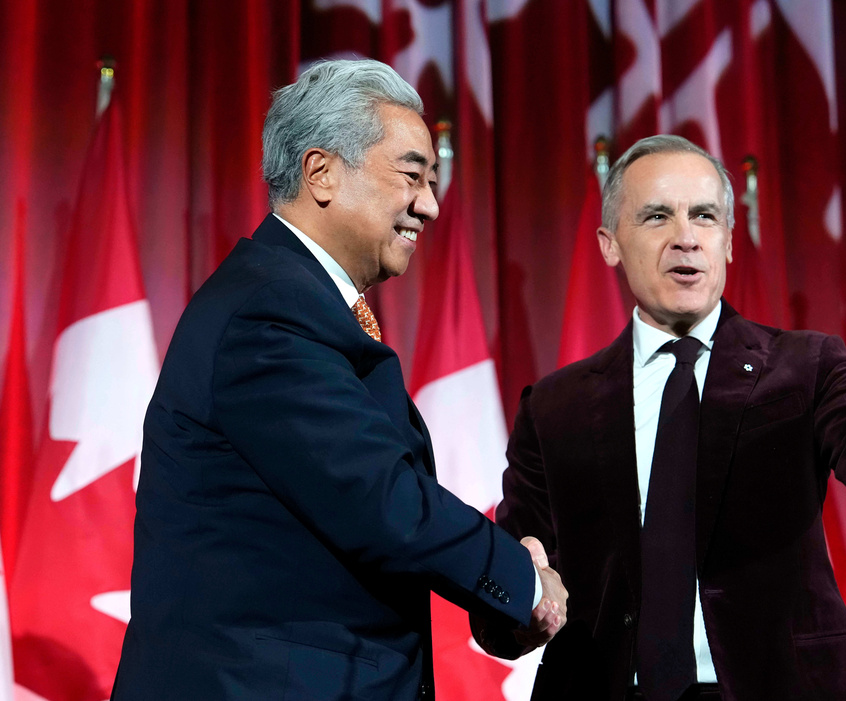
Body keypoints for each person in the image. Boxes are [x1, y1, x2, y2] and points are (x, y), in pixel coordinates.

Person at [111, 59, 566, 701]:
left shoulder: (295, 299)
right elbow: (378, 495)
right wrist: (519, 578)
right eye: (412, 175)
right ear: (321, 172)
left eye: (432, 182)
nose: (430, 206)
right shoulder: (269, 310)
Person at [472, 135, 846, 701]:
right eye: (658, 216)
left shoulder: (805, 367)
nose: (686, 237)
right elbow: (501, 605)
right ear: (610, 244)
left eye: (704, 216)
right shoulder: (555, 406)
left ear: (727, 241)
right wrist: (523, 598)